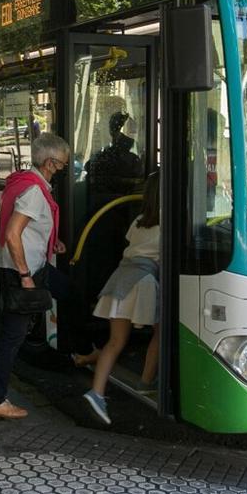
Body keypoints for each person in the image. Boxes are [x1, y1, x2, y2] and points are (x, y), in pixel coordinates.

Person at [0, 133, 71, 420]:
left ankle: (80, 352)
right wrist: (25, 276)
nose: (62, 170)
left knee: (70, 293)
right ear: (49, 163)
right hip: (22, 271)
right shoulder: (34, 191)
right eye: (61, 165)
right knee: (12, 337)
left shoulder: (25, 182)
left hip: (34, 265)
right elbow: (12, 233)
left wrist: (50, 242)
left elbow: (26, 226)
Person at [79, 172, 161, 425]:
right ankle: (146, 382)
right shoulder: (172, 222)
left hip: (121, 276)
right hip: (144, 281)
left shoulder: (138, 220)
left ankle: (97, 392)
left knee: (115, 341)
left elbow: (130, 244)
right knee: (161, 332)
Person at [84, 109, 142, 191]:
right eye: (131, 131)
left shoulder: (105, 155)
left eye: (134, 131)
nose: (133, 135)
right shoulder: (106, 156)